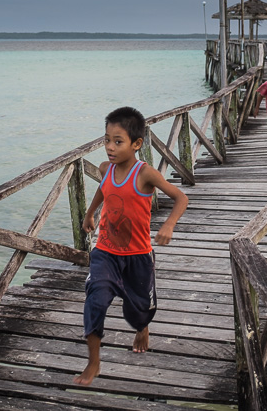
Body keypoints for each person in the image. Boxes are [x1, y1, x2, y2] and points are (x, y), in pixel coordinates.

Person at [73, 106, 189, 386]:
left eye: (117, 141)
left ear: (136, 144)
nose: (109, 148)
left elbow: (181, 198)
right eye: (106, 140)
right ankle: (93, 362)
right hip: (105, 252)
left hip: (138, 256)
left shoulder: (145, 174)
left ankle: (142, 327)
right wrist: (90, 214)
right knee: (95, 299)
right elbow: (104, 188)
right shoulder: (106, 169)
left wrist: (169, 225)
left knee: (138, 310)